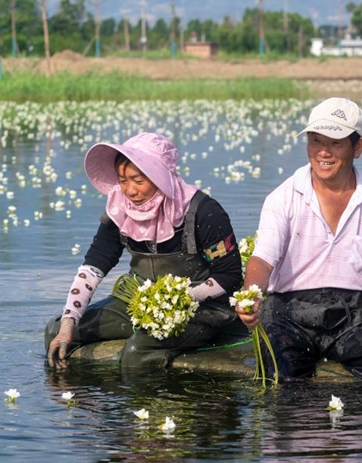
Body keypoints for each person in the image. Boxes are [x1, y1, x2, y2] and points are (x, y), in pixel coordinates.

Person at [234, 98, 362, 380]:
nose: (323, 152)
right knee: (282, 379)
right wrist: (251, 296)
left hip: (353, 314)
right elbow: (262, 261)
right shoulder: (283, 198)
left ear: (358, 147)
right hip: (288, 312)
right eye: (315, 141)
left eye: (335, 143)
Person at [45, 132, 248, 370]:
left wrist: (176, 301)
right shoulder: (120, 210)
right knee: (55, 331)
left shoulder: (204, 212)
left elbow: (229, 276)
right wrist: (69, 323)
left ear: (160, 177)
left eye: (138, 180)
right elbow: (93, 268)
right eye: (123, 181)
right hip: (139, 300)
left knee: (137, 353)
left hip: (201, 308)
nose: (130, 191)